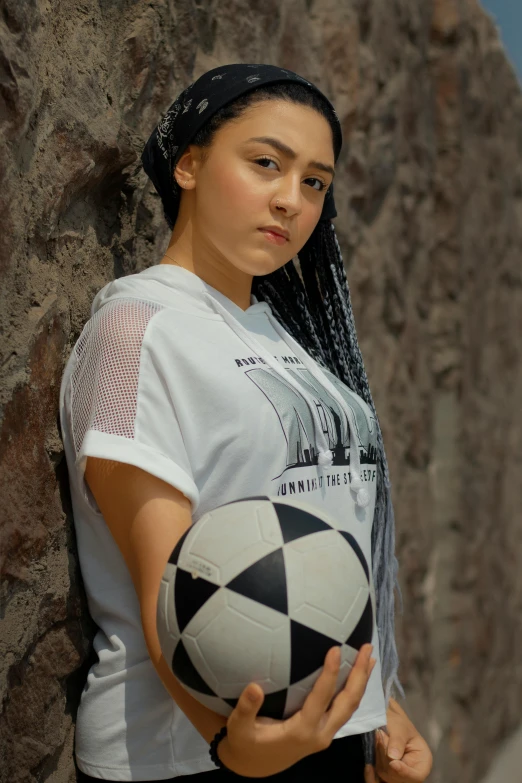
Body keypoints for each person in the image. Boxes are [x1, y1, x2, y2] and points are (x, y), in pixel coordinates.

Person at [59, 63, 432, 782]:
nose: (291, 200)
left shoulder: (283, 335)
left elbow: (329, 528)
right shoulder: (136, 330)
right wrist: (232, 746)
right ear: (190, 163)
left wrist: (373, 707)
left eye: (315, 182)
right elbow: (168, 591)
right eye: (266, 163)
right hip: (189, 752)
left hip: (317, 738)